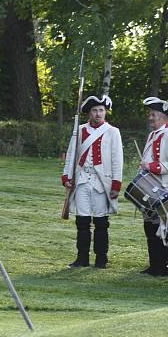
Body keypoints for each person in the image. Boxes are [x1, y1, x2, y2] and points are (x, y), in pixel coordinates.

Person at [62, 95, 124, 269]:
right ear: (90, 113)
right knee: (82, 222)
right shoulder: (80, 130)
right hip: (82, 179)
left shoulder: (112, 132)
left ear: (105, 112)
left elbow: (117, 160)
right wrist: (66, 176)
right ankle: (82, 258)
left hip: (101, 182)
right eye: (95, 110)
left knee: (101, 223)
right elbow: (71, 154)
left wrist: (116, 184)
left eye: (101, 110)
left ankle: (101, 259)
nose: (98, 114)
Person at [139, 97, 168, 276]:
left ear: (164, 117)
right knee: (150, 227)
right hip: (151, 187)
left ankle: (162, 267)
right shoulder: (153, 134)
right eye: (150, 114)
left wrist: (152, 167)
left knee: (162, 228)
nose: (150, 118)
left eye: (153, 115)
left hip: (163, 188)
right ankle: (153, 264)